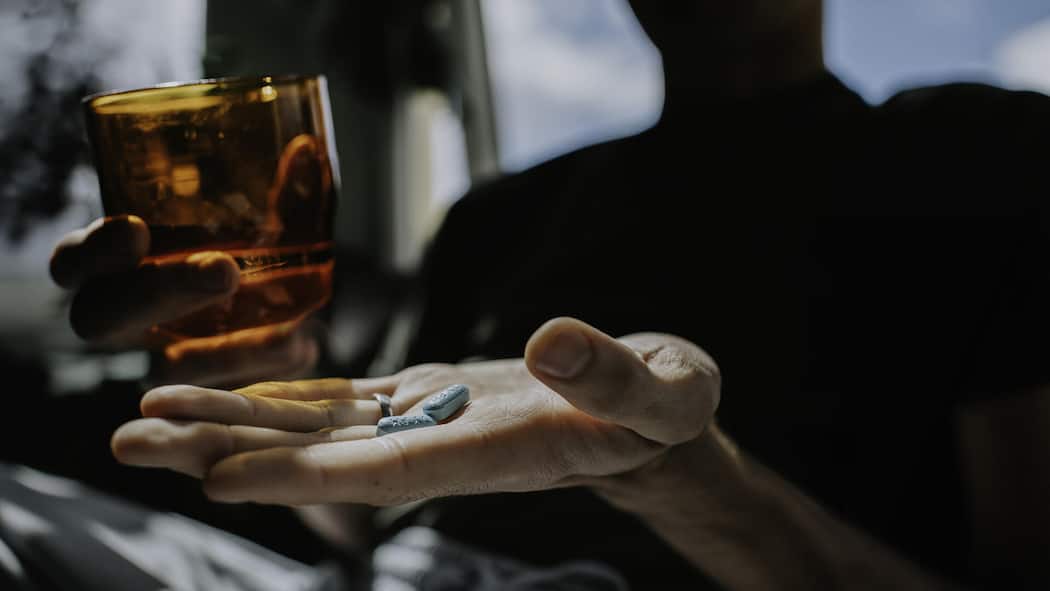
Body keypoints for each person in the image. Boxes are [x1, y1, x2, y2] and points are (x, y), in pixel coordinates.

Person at [33, 0, 1050, 589]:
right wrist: (284, 415)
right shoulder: (505, 213)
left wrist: (688, 482)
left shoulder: (983, 154)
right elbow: (385, 503)